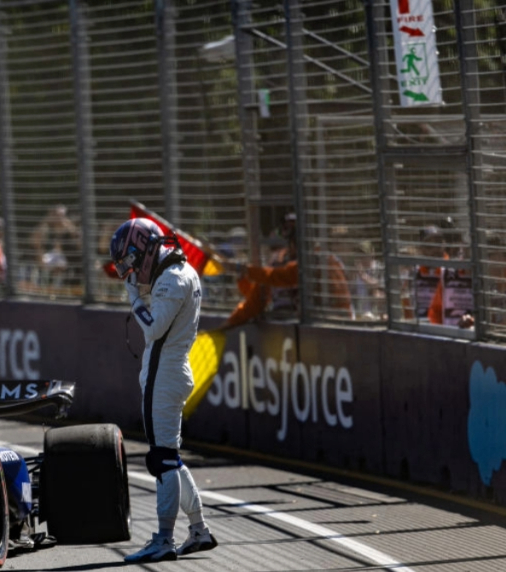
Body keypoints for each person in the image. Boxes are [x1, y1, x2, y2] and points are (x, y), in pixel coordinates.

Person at [108, 218, 217, 563]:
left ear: (145, 250)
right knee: (170, 457)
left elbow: (153, 328)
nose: (131, 273)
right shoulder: (181, 272)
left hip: (165, 373)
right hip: (170, 370)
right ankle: (199, 529)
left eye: (130, 262)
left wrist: (132, 298)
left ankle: (164, 538)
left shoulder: (171, 278)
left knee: (162, 459)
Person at [222, 213, 353, 329]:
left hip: (332, 326)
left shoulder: (323, 262)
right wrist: (231, 321)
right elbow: (257, 298)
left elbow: (278, 276)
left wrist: (245, 269)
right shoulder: (277, 262)